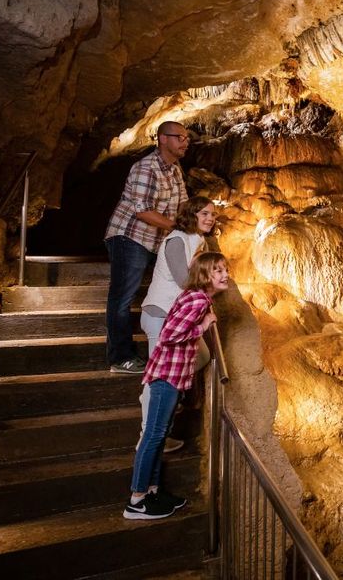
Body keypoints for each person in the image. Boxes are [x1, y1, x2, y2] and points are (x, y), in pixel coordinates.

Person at [123, 252, 230, 520]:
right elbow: (170, 334)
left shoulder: (197, 297)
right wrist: (203, 325)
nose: (225, 274)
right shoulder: (197, 299)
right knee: (154, 435)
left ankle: (153, 490)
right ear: (205, 275)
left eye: (225, 269)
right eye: (218, 271)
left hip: (172, 375)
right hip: (166, 377)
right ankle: (137, 499)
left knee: (159, 436)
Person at [104, 121, 189, 374]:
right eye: (179, 137)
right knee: (122, 298)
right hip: (129, 237)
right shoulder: (145, 168)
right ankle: (120, 358)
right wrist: (178, 227)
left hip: (153, 240)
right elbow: (143, 211)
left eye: (187, 138)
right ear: (163, 139)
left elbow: (183, 202)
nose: (185, 142)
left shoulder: (175, 169)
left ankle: (167, 347)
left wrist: (194, 221)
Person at [138, 196, 217, 453]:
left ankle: (171, 399)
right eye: (204, 213)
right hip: (161, 314)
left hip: (175, 317)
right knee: (159, 380)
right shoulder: (176, 240)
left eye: (212, 214)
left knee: (202, 355)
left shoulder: (196, 241)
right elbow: (184, 281)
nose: (209, 218)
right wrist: (214, 287)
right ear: (191, 215)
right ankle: (148, 437)